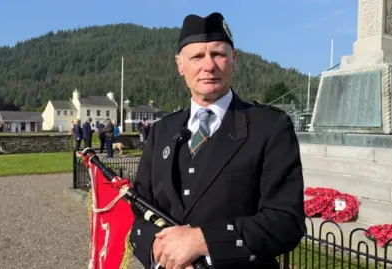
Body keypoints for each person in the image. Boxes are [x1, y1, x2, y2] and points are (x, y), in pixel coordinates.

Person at [129, 12, 305, 269]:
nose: (208, 66)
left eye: (218, 54)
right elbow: (137, 208)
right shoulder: (161, 132)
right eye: (197, 56)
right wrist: (160, 251)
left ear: (234, 60)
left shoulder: (270, 128)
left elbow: (286, 220)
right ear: (180, 64)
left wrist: (202, 241)